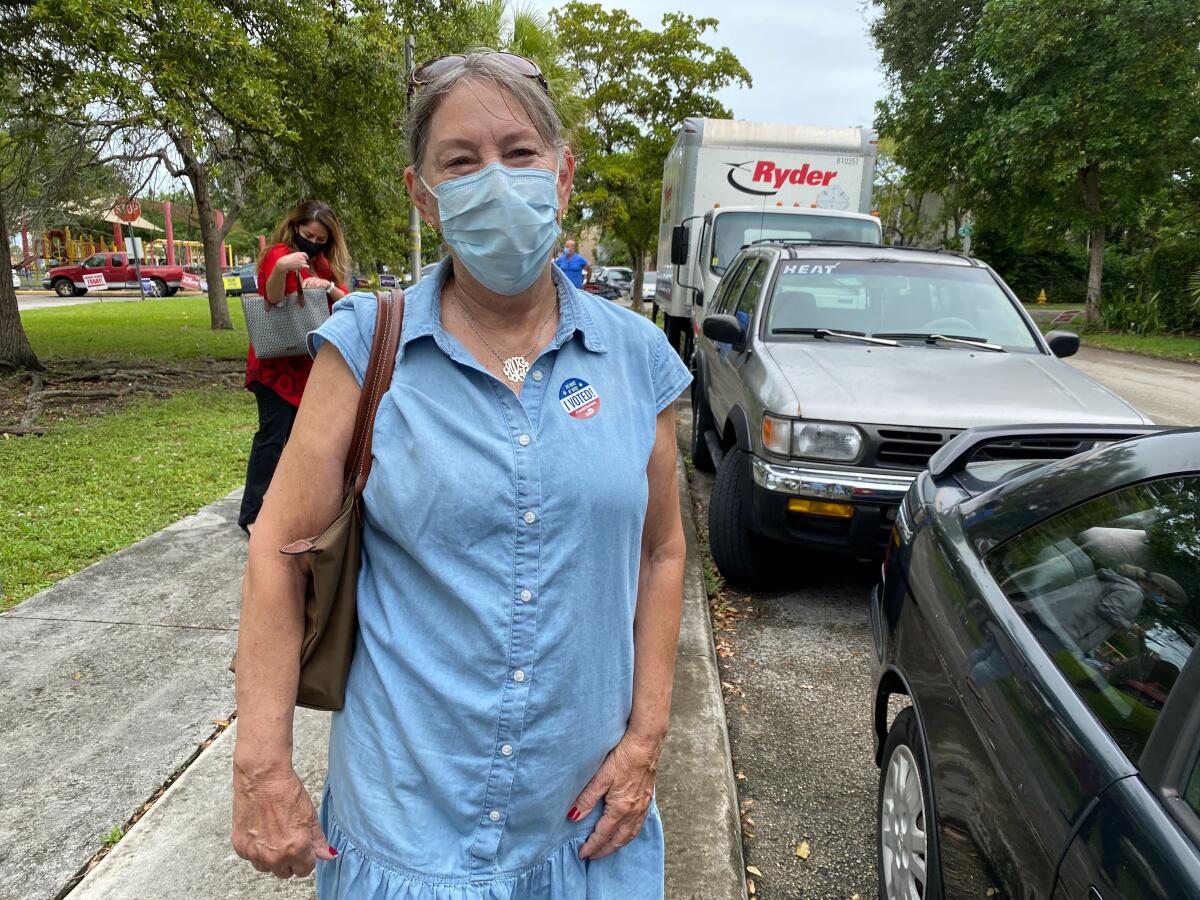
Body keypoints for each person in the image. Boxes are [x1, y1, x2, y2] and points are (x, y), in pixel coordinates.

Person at [231, 50, 692, 900]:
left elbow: (661, 552)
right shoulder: (365, 348)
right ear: (422, 193)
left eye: (520, 153)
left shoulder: (638, 359)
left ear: (562, 175)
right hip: (407, 834)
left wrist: (647, 741)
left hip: (585, 829)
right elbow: (279, 548)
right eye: (461, 161)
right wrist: (262, 767)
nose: (496, 178)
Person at [237, 200, 350, 534]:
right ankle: (252, 514)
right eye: (308, 234)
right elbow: (270, 299)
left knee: (304, 440)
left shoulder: (323, 264)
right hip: (273, 366)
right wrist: (282, 268)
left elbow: (347, 302)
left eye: (320, 238)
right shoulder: (279, 253)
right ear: (296, 227)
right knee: (271, 437)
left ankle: (289, 504)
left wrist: (327, 286)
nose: (312, 242)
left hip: (307, 367)